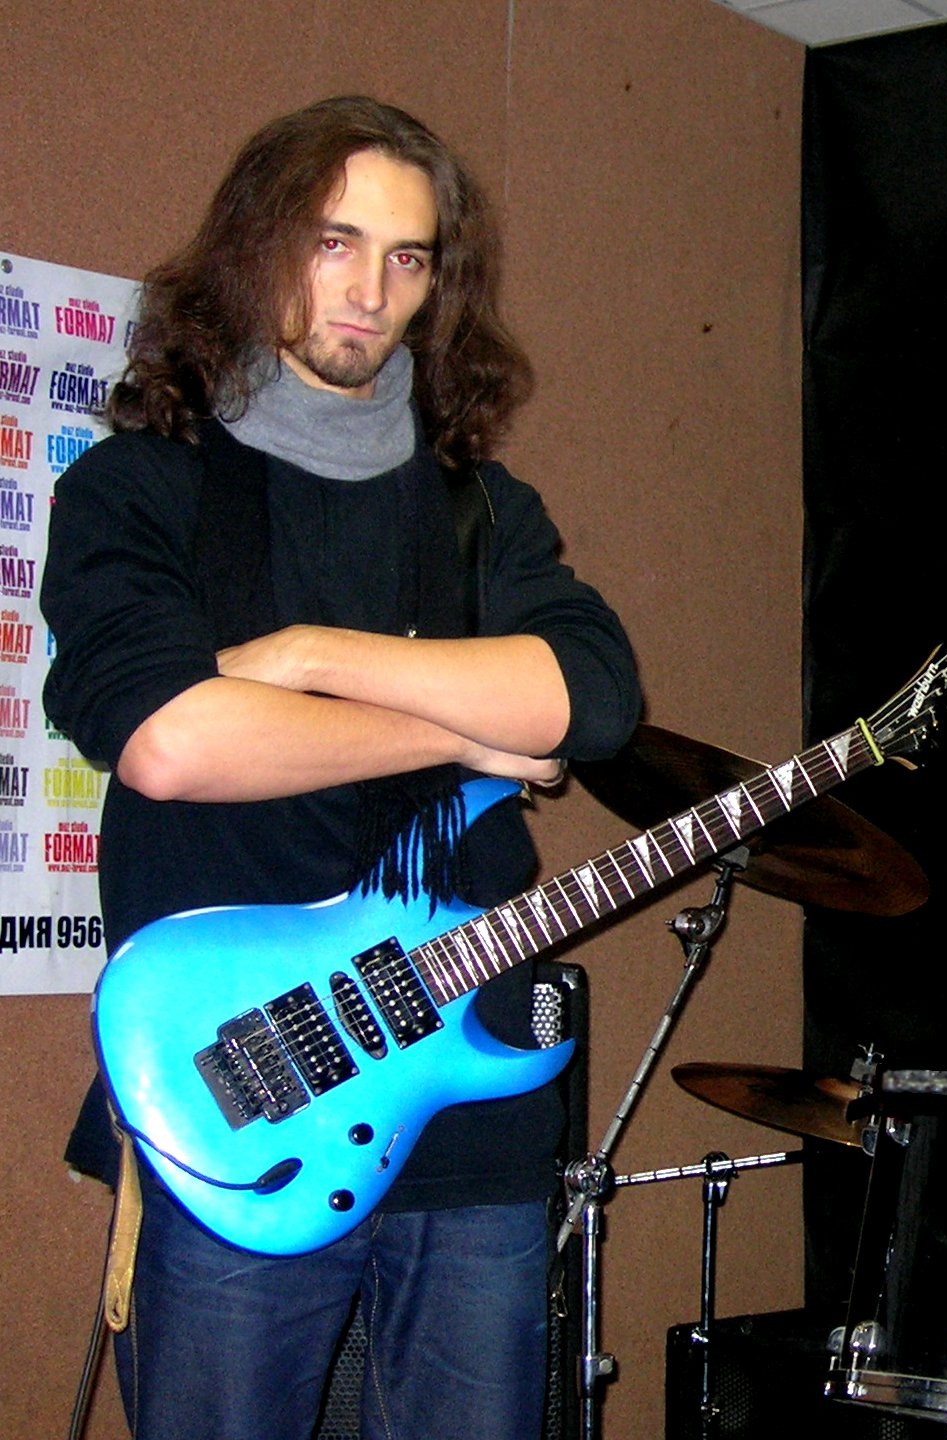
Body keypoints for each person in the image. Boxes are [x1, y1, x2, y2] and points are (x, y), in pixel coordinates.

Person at [41, 95, 641, 1440]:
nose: (370, 290)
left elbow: (587, 701)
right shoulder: (140, 491)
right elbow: (174, 741)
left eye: (407, 257)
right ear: (256, 244)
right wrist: (463, 728)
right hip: (243, 1103)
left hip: (475, 1114)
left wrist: (309, 657)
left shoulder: (482, 512)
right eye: (335, 241)